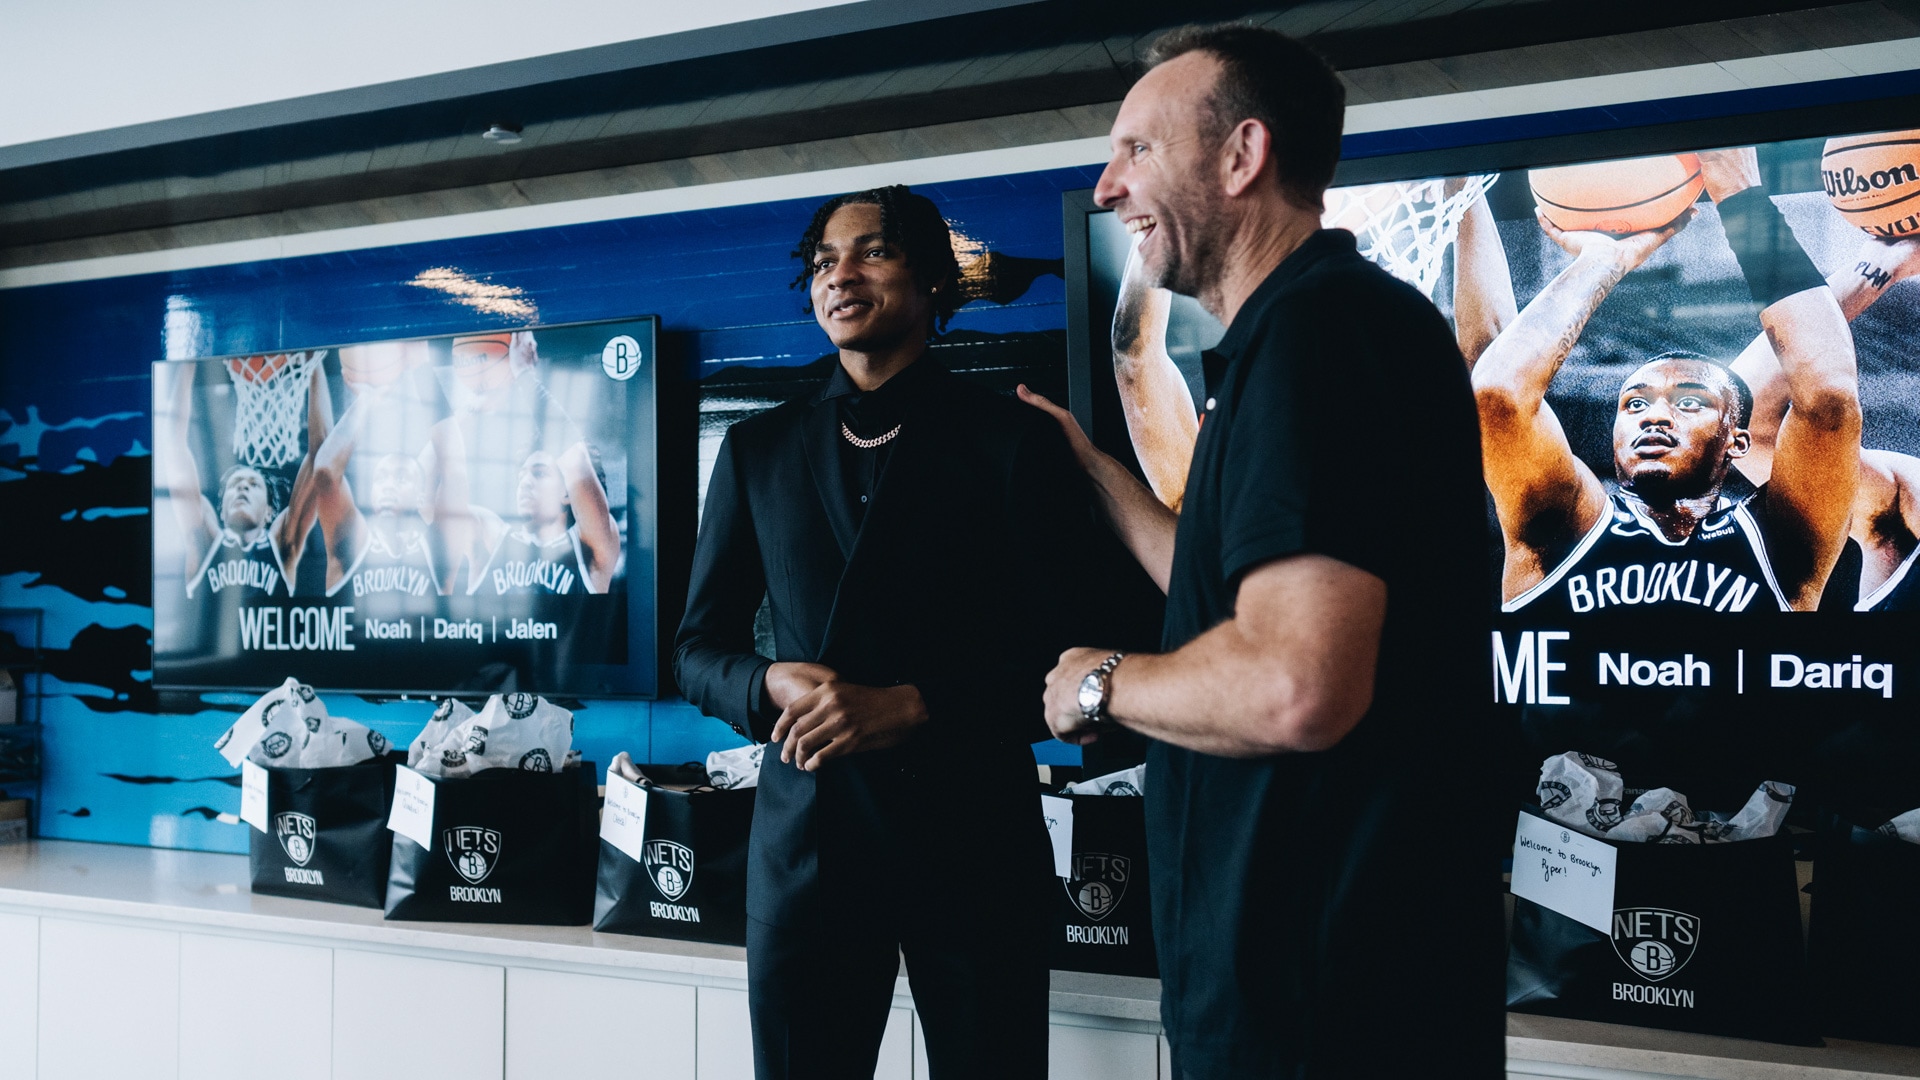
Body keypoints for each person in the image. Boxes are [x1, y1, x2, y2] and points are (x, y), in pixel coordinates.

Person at [1020, 24, 1503, 1078]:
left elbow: (1294, 684)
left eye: (1136, 150)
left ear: (1242, 157)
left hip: (1325, 1010)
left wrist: (1097, 686)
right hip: (1318, 995)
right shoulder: (1320, 333)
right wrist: (1097, 472)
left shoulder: (1321, 339)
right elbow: (1228, 600)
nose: (1106, 188)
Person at [674, 185, 1096, 1079]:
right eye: (825, 261)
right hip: (809, 850)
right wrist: (766, 686)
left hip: (976, 843)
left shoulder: (1010, 440)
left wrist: (915, 705)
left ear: (933, 278)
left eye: (873, 252)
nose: (841, 275)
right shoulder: (757, 451)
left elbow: (1074, 663)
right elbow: (697, 651)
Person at [1466, 147, 1861, 615]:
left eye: (1690, 402)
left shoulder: (1780, 542)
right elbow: (1496, 390)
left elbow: (1830, 397)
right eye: (1633, 404)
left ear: (1737, 442)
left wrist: (1742, 199)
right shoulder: (1564, 523)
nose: (1654, 414)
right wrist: (1604, 260)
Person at [156, 358, 330, 600]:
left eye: (253, 485)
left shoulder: (283, 546)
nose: (242, 489)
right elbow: (173, 446)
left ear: (270, 512)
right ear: (222, 509)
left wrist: (314, 363)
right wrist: (189, 359)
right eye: (235, 485)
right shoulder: (205, 543)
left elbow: (322, 456)